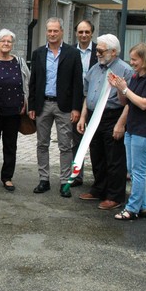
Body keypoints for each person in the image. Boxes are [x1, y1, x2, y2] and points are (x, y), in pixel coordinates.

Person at [76, 34, 133, 208]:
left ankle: (115, 196)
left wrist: (120, 123)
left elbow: (129, 101)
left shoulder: (125, 70)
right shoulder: (95, 69)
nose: (97, 53)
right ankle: (99, 189)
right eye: (97, 50)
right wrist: (84, 116)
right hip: (94, 116)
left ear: (113, 52)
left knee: (114, 157)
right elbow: (87, 95)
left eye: (101, 50)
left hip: (112, 116)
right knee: (97, 154)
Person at [28, 17, 83, 195]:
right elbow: (33, 82)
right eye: (49, 31)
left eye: (55, 31)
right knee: (41, 144)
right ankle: (44, 180)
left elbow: (77, 83)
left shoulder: (72, 53)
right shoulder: (38, 54)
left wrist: (76, 108)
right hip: (42, 104)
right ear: (46, 32)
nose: (52, 34)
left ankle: (65, 183)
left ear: (61, 32)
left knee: (65, 145)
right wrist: (32, 106)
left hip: (64, 106)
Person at [109, 43, 146, 221]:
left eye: (134, 59)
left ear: (145, 59)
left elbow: (144, 103)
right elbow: (125, 102)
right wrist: (119, 87)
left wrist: (125, 88)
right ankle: (144, 206)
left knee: (138, 172)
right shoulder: (136, 77)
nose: (131, 62)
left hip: (145, 131)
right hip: (133, 129)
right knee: (133, 171)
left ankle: (132, 208)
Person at [0, 29, 29, 191]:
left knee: (10, 145)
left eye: (9, 41)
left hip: (14, 110)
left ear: (13, 44)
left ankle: (7, 177)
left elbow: (26, 83)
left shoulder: (19, 62)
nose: (6, 44)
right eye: (3, 41)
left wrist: (25, 101)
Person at [71, 19, 98, 187]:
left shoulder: (99, 51)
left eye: (87, 32)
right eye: (80, 32)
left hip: (94, 100)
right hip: (76, 99)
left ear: (91, 33)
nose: (83, 35)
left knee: (95, 140)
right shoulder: (69, 51)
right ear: (76, 33)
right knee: (75, 139)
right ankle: (76, 175)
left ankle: (98, 178)